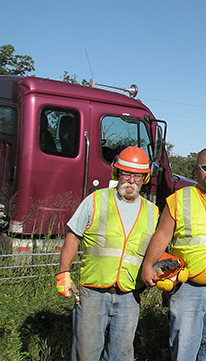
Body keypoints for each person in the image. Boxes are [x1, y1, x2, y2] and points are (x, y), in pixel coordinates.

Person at [140, 147, 206, 361]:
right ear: (196, 169)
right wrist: (148, 265)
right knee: (184, 346)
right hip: (186, 287)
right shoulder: (178, 199)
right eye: (205, 167)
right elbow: (162, 235)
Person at [56, 146, 159, 361]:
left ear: (145, 178)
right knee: (86, 354)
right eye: (126, 173)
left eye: (137, 176)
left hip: (129, 295)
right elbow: (73, 236)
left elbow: (156, 252)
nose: (131, 180)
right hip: (93, 293)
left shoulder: (152, 211)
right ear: (116, 173)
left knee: (122, 355)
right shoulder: (95, 200)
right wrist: (64, 273)